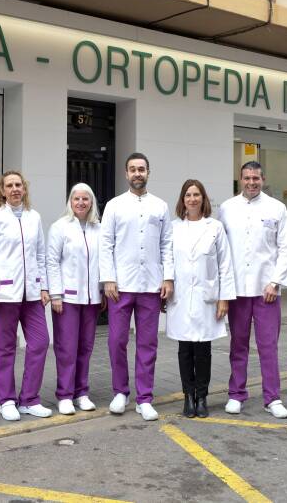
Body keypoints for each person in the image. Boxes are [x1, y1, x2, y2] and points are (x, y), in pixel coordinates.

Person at [100, 152, 174, 421]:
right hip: (121, 285)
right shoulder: (114, 205)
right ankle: (121, 391)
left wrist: (168, 278)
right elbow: (105, 244)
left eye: (141, 169)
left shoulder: (160, 206)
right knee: (116, 340)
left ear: (148, 172)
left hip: (151, 285)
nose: (137, 173)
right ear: (126, 173)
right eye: (133, 169)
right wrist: (108, 278)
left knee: (148, 343)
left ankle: (145, 397)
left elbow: (167, 244)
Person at [219, 161, 287, 419]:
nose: (252, 182)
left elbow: (286, 248)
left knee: (268, 346)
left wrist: (276, 282)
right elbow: (222, 250)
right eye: (247, 178)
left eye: (256, 178)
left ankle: (272, 398)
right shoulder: (227, 209)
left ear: (263, 179)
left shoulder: (277, 208)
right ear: (240, 179)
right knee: (238, 344)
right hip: (238, 290)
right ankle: (236, 394)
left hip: (267, 291)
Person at [0, 171, 52, 421]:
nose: (14, 189)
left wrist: (44, 287)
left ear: (25, 188)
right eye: (9, 185)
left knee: (40, 342)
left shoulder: (34, 217)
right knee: (5, 348)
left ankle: (29, 399)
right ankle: (7, 400)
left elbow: (40, 256)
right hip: (4, 295)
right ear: (2, 191)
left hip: (32, 295)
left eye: (18, 185)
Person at [167, 180, 235, 419]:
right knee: (184, 349)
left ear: (203, 198)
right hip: (181, 298)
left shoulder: (214, 227)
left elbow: (225, 265)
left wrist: (224, 299)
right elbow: (167, 261)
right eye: (188, 195)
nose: (192, 199)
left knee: (203, 350)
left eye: (197, 195)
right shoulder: (173, 227)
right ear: (182, 199)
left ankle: (202, 396)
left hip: (208, 298)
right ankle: (187, 396)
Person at [46, 183, 103, 415]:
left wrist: (102, 290)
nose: (81, 203)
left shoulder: (99, 228)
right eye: (76, 199)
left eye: (85, 199)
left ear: (92, 202)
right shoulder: (60, 227)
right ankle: (65, 394)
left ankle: (82, 392)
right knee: (66, 348)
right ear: (70, 201)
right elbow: (51, 261)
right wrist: (56, 294)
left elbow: (104, 261)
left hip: (91, 299)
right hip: (66, 299)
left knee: (86, 347)